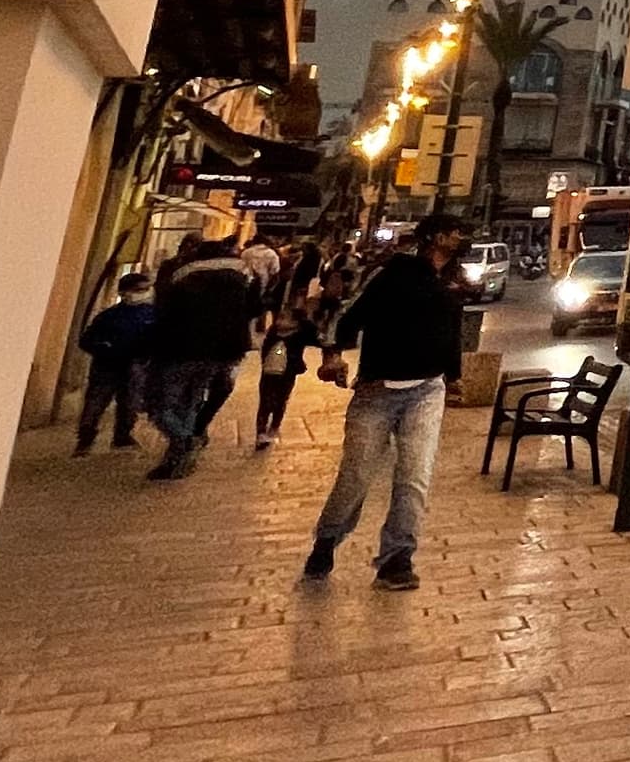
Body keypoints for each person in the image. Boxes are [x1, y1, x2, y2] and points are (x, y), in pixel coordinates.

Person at [306, 220, 470, 588]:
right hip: (377, 390)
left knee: (415, 477)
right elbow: (345, 314)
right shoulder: (390, 274)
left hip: (427, 390)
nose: (462, 238)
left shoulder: (451, 282)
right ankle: (327, 539)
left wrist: (453, 378)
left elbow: (451, 333)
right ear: (435, 237)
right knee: (356, 476)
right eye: (455, 232)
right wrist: (332, 355)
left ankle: (397, 559)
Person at [143, 236, 266, 477]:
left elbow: (164, 312)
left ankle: (184, 441)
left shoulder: (183, 273)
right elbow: (256, 309)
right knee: (191, 400)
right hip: (224, 351)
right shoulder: (244, 275)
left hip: (183, 347)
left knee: (159, 405)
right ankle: (178, 457)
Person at [73, 271, 158, 452]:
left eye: (146, 289)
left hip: (135, 366)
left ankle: (122, 436)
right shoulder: (109, 316)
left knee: (129, 403)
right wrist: (105, 349)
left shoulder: (153, 315)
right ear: (124, 292)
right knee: (96, 403)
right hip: (107, 367)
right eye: (138, 289)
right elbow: (86, 340)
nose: (144, 292)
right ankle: (85, 439)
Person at [252, 250, 329, 448]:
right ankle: (270, 429)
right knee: (281, 395)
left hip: (277, 345)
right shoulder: (312, 287)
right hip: (291, 352)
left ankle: (264, 431)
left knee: (268, 393)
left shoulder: (287, 281)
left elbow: (269, 300)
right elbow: (317, 335)